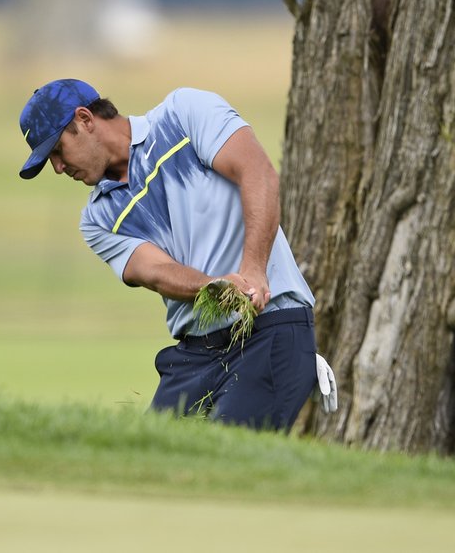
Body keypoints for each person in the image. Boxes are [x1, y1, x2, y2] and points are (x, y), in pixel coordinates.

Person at [17, 78, 336, 430]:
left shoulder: (184, 115)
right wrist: (212, 287)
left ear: (85, 120)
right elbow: (156, 271)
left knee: (223, 464)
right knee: (150, 458)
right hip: (197, 353)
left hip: (271, 328)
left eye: (58, 151)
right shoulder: (97, 219)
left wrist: (254, 269)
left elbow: (258, 174)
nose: (59, 168)